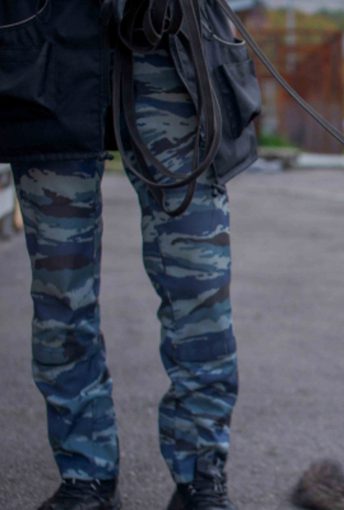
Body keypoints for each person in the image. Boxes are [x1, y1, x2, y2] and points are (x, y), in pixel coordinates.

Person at [0, 1, 253, 508]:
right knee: (60, 299)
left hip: (171, 45)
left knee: (199, 289)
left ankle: (201, 477)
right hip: (46, 46)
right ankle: (85, 476)